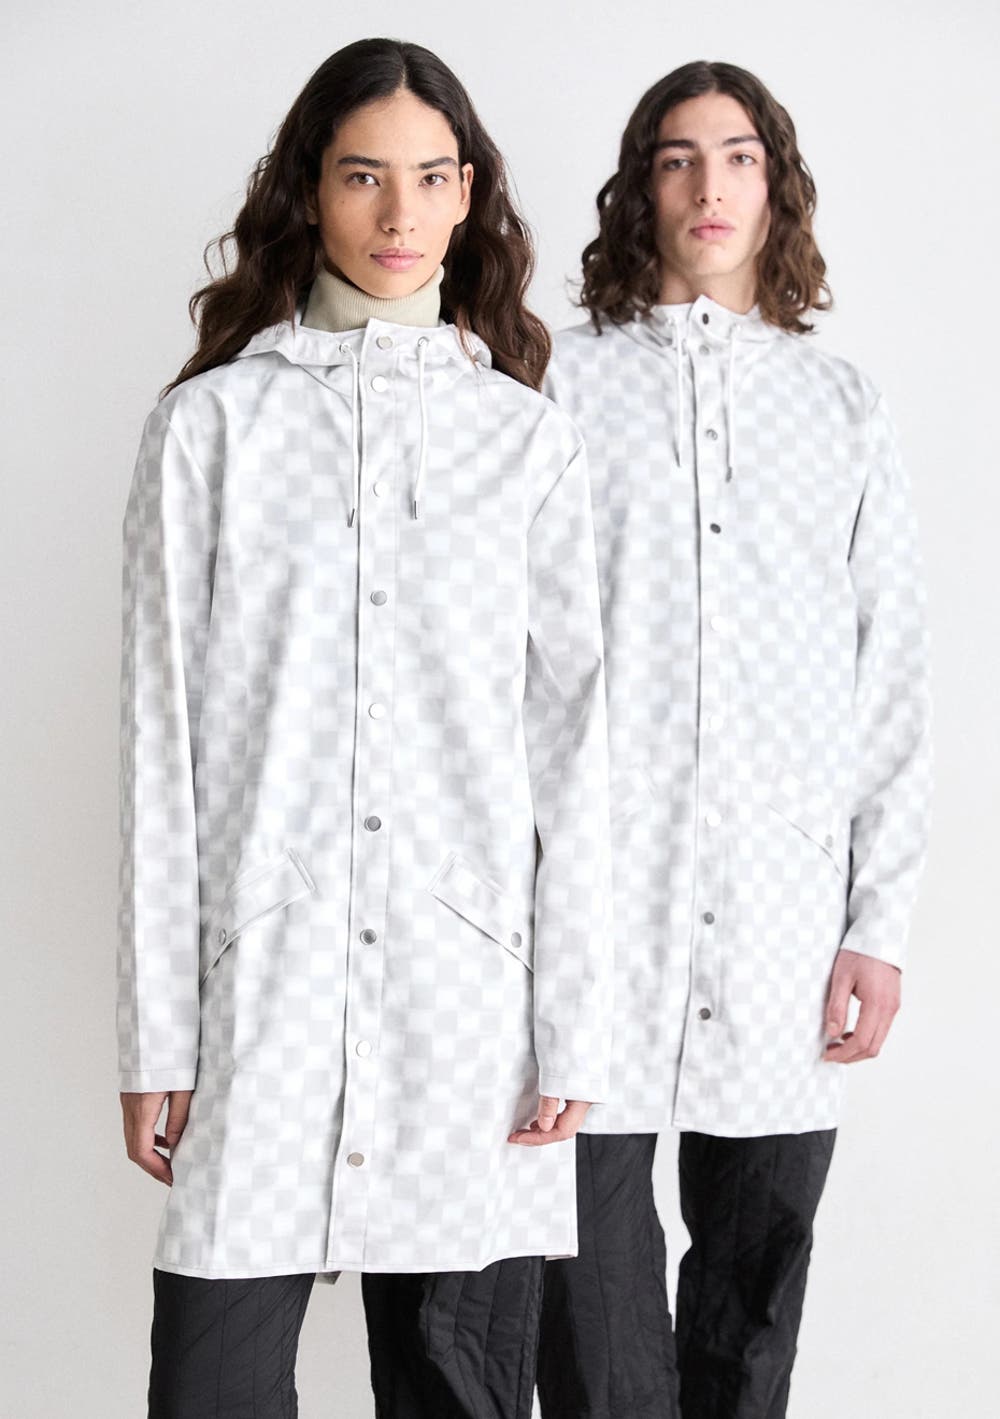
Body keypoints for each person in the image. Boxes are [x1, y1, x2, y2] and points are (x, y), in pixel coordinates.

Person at [116, 37, 613, 1419]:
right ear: (308, 190)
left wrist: (574, 1021)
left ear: (470, 196)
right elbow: (161, 746)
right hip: (261, 988)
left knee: (460, 1390)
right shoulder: (209, 431)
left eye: (432, 178)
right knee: (211, 1389)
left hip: (473, 1010)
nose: (401, 216)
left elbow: (575, 754)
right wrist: (156, 1035)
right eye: (362, 177)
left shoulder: (526, 442)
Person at [536, 59, 931, 1419]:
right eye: (679, 158)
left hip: (782, 927)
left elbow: (892, 677)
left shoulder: (841, 407)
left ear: (777, 188)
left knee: (754, 1303)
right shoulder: (556, 387)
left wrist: (878, 923)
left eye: (740, 157)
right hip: (595, 923)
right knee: (589, 1306)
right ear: (639, 188)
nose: (710, 186)